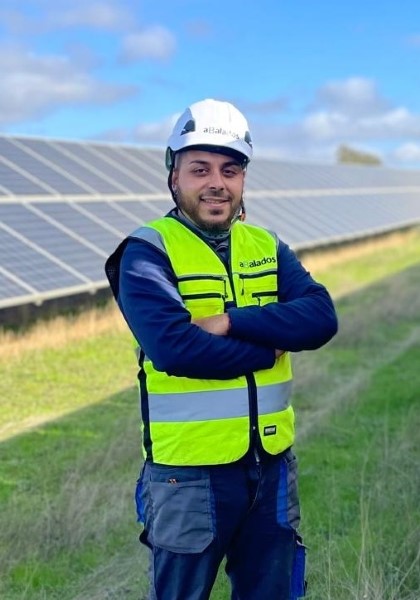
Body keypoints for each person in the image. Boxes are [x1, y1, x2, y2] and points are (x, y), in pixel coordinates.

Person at [105, 98, 338, 600]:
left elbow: (321, 317)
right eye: (200, 169)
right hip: (187, 478)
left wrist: (232, 321)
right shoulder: (146, 252)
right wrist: (267, 349)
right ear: (174, 176)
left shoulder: (266, 245)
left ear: (243, 181)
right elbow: (175, 349)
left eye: (230, 170)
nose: (217, 182)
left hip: (271, 465)